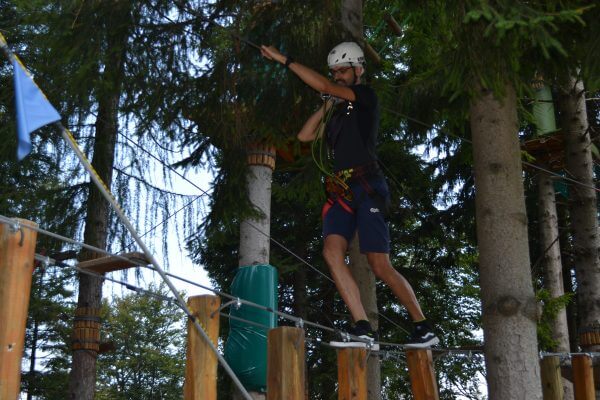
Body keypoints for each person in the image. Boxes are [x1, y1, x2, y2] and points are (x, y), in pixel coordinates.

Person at [261, 42, 439, 349]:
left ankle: (423, 327)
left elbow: (326, 85)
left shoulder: (366, 97)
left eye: (343, 71)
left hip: (368, 185)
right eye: (335, 72)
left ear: (358, 70)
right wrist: (327, 105)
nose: (338, 76)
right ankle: (362, 328)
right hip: (341, 190)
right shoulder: (337, 112)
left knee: (379, 264)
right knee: (331, 252)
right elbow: (305, 135)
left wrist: (284, 59)